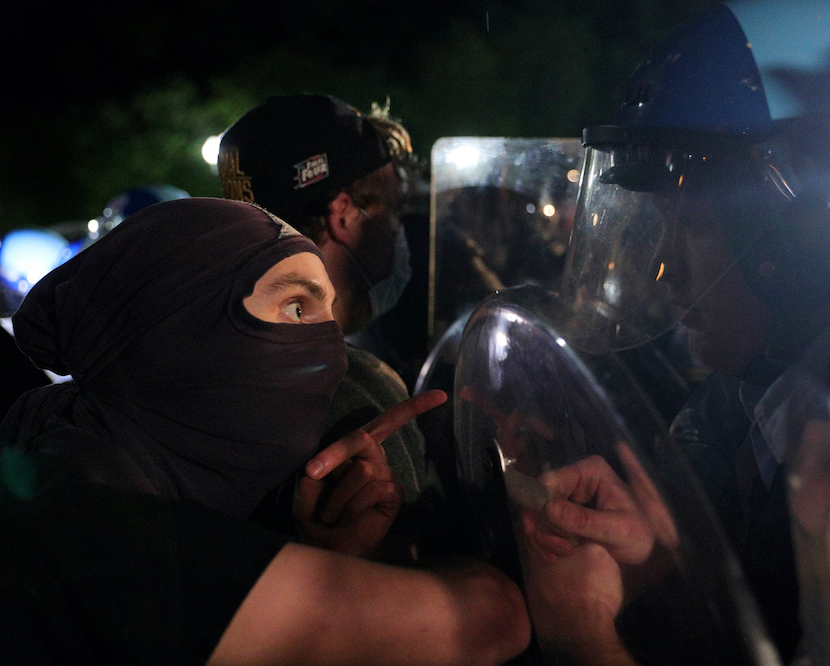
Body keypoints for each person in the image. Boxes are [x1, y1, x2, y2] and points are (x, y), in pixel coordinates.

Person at [511, 0, 830, 662]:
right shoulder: (754, 401)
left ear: (810, 233)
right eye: (662, 225)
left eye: (698, 225)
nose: (663, 264)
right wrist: (670, 554)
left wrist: (581, 634)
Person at [0, 197, 531, 665]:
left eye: (329, 314)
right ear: (176, 331)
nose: (332, 355)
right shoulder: (83, 519)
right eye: (297, 307)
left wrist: (334, 558)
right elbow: (489, 621)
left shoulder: (106, 472)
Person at [218, 95, 447, 558]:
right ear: (343, 214)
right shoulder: (353, 393)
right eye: (394, 213)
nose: (399, 234)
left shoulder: (220, 359)